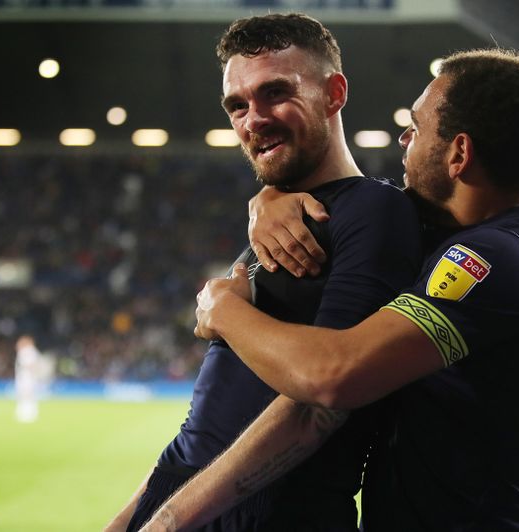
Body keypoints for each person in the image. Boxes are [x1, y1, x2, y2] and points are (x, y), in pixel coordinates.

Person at [152, 48, 519, 531]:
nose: (403, 139)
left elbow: (334, 376)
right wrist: (272, 196)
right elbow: (364, 200)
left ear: (458, 154)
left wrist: (223, 308)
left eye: (415, 128)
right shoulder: (487, 237)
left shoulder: (494, 260)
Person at [104, 13, 422, 532]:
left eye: (275, 92)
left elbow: (320, 405)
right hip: (188, 504)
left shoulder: (375, 210)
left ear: (334, 93)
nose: (253, 119)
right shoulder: (278, 219)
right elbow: (204, 428)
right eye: (237, 105)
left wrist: (224, 310)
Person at [15, 335, 42, 423]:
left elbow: (31, 364)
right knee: (25, 395)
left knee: (27, 395)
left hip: (27, 376)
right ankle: (26, 413)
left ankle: (28, 414)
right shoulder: (29, 351)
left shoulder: (28, 351)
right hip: (25, 376)